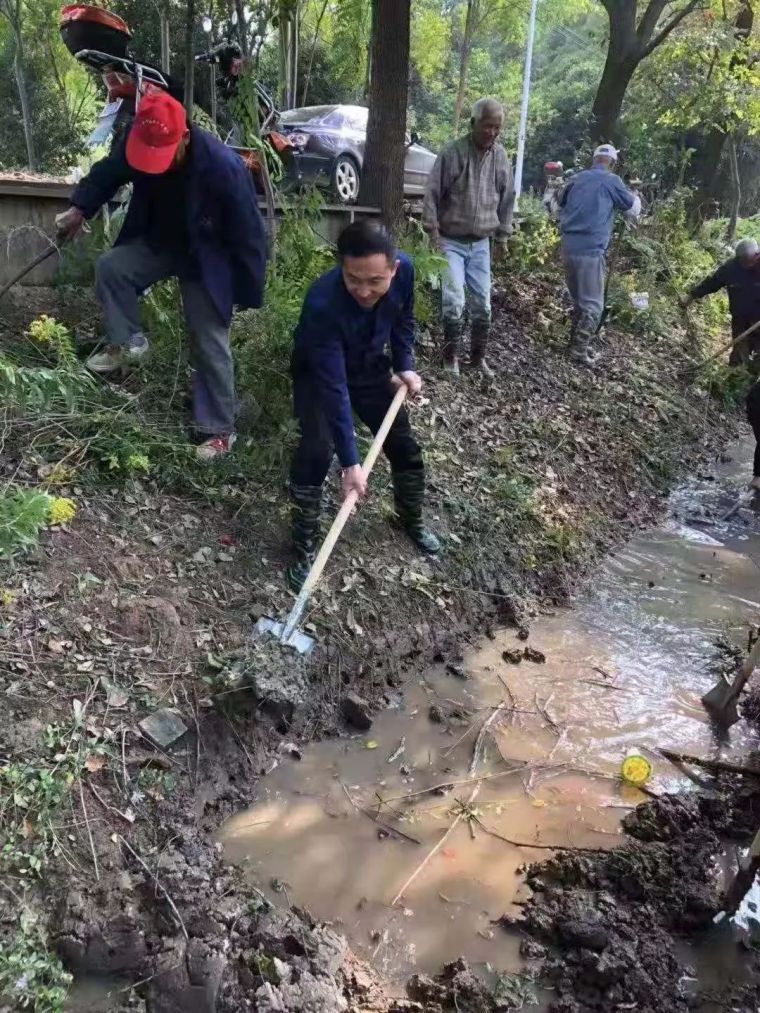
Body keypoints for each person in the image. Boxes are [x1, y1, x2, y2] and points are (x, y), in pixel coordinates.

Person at [55, 87, 267, 461]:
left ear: (183, 136)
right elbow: (107, 173)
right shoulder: (139, 139)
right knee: (113, 267)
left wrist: (246, 293)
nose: (157, 162)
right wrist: (79, 209)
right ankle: (129, 342)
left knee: (209, 338)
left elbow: (249, 235)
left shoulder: (223, 168)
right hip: (159, 240)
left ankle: (218, 430)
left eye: (164, 154)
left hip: (206, 257)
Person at [287, 219, 440, 591]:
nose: (364, 290)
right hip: (319, 375)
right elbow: (335, 388)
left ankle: (410, 519)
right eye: (354, 278)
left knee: (404, 446)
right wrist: (351, 463)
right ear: (342, 266)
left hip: (370, 367)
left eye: (375, 281)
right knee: (316, 450)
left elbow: (403, 319)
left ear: (394, 268)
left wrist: (404, 364)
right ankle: (302, 545)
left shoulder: (405, 274)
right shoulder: (323, 302)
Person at [422, 97, 515, 377]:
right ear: (474, 123)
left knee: (482, 304)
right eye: (488, 126)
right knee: (453, 300)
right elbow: (432, 193)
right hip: (451, 240)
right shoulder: (453, 153)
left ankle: (477, 358)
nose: (492, 132)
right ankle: (450, 357)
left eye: (497, 127)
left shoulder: (500, 156)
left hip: (482, 242)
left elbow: (507, 198)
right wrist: (432, 231)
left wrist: (502, 237)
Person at [557, 143, 641, 366]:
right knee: (593, 306)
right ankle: (578, 350)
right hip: (591, 249)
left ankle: (572, 345)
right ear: (612, 163)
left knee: (579, 302)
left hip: (568, 246)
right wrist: (635, 195)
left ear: (594, 160)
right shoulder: (612, 181)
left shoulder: (576, 178)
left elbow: (558, 201)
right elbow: (633, 209)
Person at [682, 239, 760, 368]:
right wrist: (691, 296)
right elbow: (712, 283)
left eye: (749, 259)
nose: (746, 263)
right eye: (743, 260)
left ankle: (753, 380)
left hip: (758, 319)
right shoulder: (731, 269)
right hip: (740, 318)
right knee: (739, 352)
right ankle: (735, 376)